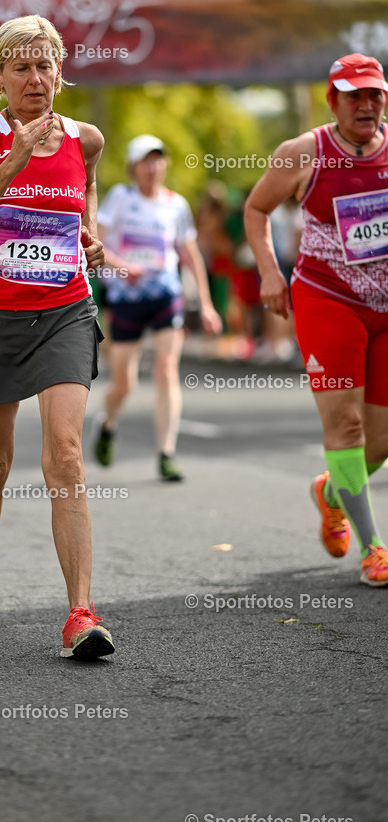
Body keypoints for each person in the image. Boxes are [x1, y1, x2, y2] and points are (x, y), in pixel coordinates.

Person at [0, 14, 114, 659]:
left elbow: (86, 191)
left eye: (46, 65)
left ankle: (80, 613)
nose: (35, 78)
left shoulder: (86, 139)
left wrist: (90, 234)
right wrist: (13, 158)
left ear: (60, 73)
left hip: (66, 311)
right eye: (21, 67)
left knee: (66, 456)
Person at [245, 53, 388, 586]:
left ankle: (330, 491)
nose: (367, 104)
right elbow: (256, 209)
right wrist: (270, 272)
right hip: (327, 298)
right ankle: (374, 546)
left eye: (375, 94)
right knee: (345, 424)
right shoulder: (304, 153)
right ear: (334, 101)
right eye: (355, 95)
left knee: (381, 439)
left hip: (386, 309)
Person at [93, 135, 222, 481]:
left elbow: (190, 254)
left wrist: (207, 305)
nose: (152, 168)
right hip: (126, 298)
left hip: (166, 294)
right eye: (145, 161)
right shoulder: (120, 198)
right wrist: (122, 268)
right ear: (134, 167)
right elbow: (95, 242)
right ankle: (107, 423)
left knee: (167, 369)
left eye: (158, 160)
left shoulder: (176, 204)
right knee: (125, 384)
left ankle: (166, 453)